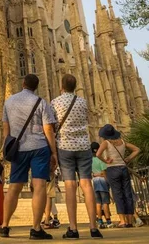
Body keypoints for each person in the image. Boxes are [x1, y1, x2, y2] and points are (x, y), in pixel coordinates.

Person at [1, 74, 57, 240]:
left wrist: (7, 146)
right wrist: (53, 152)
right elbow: (48, 129)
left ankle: (4, 226)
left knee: (14, 187)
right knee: (39, 186)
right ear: (36, 87)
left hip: (18, 149)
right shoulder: (41, 102)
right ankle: (36, 228)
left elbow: (6, 128)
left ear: (23, 83)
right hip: (39, 147)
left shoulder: (9, 101)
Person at [51, 74, 102, 239]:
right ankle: (94, 227)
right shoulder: (82, 102)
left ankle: (73, 228)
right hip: (83, 146)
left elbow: (52, 125)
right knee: (87, 184)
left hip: (65, 147)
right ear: (75, 87)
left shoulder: (55, 102)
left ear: (62, 86)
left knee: (70, 185)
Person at [96, 124, 140, 228]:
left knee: (118, 195)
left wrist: (106, 160)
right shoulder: (123, 142)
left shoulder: (106, 143)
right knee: (127, 194)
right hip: (124, 168)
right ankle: (130, 221)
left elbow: (98, 154)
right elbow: (137, 149)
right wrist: (128, 158)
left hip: (113, 169)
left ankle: (122, 221)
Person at [91, 142, 112, 228]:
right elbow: (104, 173)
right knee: (105, 202)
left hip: (95, 181)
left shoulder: (90, 160)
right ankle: (108, 221)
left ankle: (100, 221)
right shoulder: (101, 160)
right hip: (102, 181)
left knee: (98, 203)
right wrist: (108, 183)